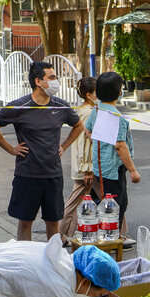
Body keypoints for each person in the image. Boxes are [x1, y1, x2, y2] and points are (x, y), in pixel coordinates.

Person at [0, 61, 84, 242]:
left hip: (53, 175)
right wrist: (11, 149)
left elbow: (78, 125)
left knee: (53, 223)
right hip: (27, 175)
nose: (56, 81)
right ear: (38, 81)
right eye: (52, 77)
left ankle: (53, 262)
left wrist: (64, 145)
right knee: (25, 223)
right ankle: (24, 263)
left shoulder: (60, 106)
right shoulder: (19, 106)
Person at [84, 72, 141, 243]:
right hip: (113, 170)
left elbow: (87, 129)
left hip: (100, 167)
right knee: (115, 209)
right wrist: (133, 171)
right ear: (118, 91)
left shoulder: (97, 109)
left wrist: (99, 143)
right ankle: (110, 245)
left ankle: (109, 240)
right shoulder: (116, 117)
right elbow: (120, 146)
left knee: (105, 207)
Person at [60, 77, 97, 241]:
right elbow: (86, 143)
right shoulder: (89, 113)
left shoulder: (82, 111)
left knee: (78, 202)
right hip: (86, 166)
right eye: (97, 92)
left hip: (85, 165)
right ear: (89, 95)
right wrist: (88, 168)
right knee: (73, 202)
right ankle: (59, 236)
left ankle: (65, 236)